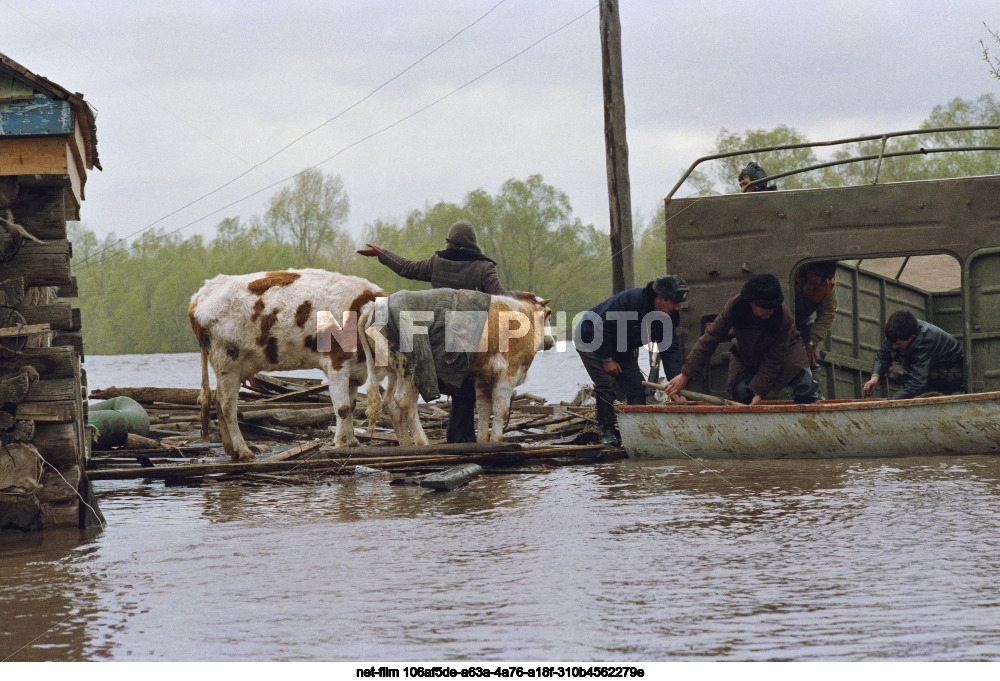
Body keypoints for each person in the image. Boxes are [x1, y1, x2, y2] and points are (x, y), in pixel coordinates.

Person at [357, 219, 531, 443]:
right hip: (467, 333)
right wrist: (521, 296)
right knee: (465, 390)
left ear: (451, 242)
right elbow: (500, 296)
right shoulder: (483, 266)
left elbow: (407, 268)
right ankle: (461, 440)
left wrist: (383, 254)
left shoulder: (438, 261)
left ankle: (446, 437)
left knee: (439, 382)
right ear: (473, 243)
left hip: (435, 331)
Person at [665, 273, 821, 405]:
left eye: (774, 306)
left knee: (806, 385)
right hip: (748, 351)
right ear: (752, 303)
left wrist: (760, 391)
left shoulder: (782, 316)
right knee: (741, 392)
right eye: (767, 307)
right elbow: (710, 338)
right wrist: (685, 375)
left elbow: (775, 358)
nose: (772, 311)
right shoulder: (734, 307)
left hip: (786, 351)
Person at [574, 275, 689, 447]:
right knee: (606, 383)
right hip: (591, 337)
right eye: (674, 302)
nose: (677, 308)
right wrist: (607, 360)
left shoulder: (668, 316)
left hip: (622, 345)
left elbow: (670, 350)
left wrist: (675, 386)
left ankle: (637, 432)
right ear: (659, 299)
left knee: (636, 385)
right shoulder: (630, 301)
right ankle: (607, 432)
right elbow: (601, 326)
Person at [863, 309, 965, 400]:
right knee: (898, 371)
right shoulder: (899, 332)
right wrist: (875, 377)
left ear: (912, 337)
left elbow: (917, 382)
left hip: (950, 373)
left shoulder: (927, 340)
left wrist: (892, 403)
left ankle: (935, 395)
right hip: (930, 369)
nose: (894, 346)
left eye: (898, 344)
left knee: (913, 380)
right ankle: (924, 395)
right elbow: (883, 355)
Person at [794, 260, 838, 366]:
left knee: (809, 359)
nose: (819, 281)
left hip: (800, 322)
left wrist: (812, 342)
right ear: (807, 269)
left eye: (824, 278)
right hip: (775, 318)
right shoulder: (793, 274)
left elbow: (827, 314)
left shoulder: (828, 287)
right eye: (817, 275)